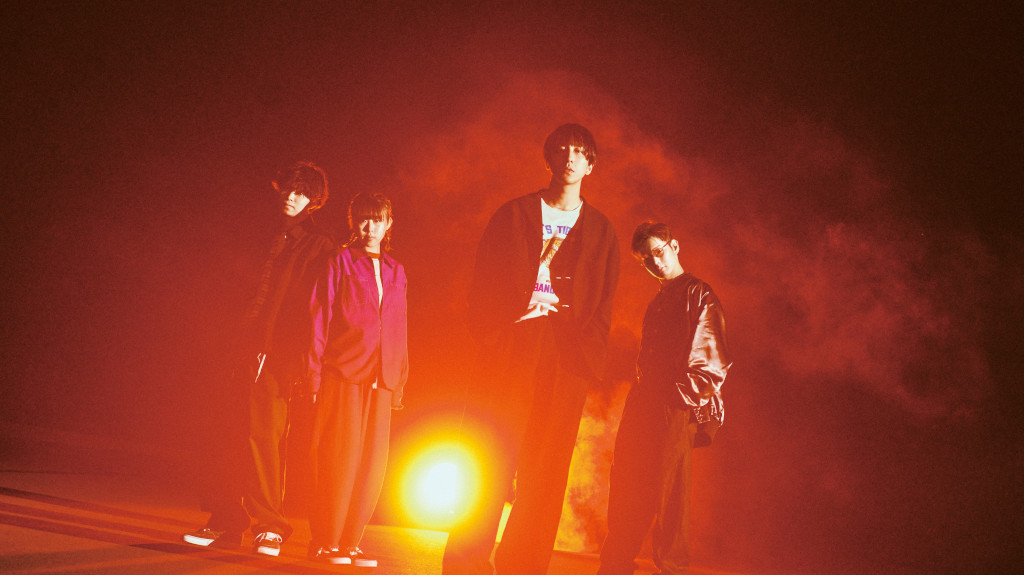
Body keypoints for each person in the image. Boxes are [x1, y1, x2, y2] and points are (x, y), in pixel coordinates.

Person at [443, 123, 620, 574]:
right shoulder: (514, 213)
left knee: (547, 467)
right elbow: (483, 279)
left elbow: (604, 302)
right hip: (511, 344)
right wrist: (492, 333)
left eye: (579, 152)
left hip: (566, 355)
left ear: (591, 164)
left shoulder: (602, 230)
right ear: (548, 158)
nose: (569, 158)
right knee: (488, 452)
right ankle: (465, 563)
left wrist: (587, 358)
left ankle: (524, 564)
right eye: (562, 150)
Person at [182, 161, 335, 556]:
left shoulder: (319, 246)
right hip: (236, 346)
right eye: (288, 188)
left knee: (263, 438)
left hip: (275, 355)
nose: (291, 197)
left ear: (314, 201)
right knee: (224, 434)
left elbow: (314, 310)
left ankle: (271, 526)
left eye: (301, 192)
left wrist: (293, 358)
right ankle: (226, 520)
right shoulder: (259, 234)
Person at [598, 221, 731, 574]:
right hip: (645, 403)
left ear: (675, 246)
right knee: (627, 482)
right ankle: (614, 566)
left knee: (670, 496)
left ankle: (671, 568)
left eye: (658, 252)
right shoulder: (658, 301)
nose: (655, 262)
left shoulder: (699, 294)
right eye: (646, 259)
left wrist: (678, 400)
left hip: (674, 406)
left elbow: (712, 361)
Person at [304, 192, 409, 568]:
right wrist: (313, 375)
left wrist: (399, 380)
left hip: (383, 378)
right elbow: (319, 317)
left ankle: (350, 542)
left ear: (388, 224)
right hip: (344, 372)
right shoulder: (340, 261)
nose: (370, 227)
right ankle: (325, 541)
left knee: (371, 464)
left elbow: (400, 327)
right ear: (353, 223)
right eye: (363, 219)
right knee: (339, 458)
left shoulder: (396, 270)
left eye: (377, 220)